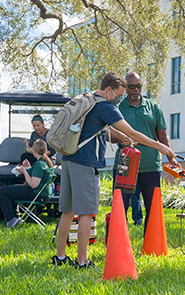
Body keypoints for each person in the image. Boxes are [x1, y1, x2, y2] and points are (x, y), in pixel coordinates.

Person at [53, 72, 177, 269]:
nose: (119, 99)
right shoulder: (105, 105)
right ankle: (82, 261)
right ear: (109, 90)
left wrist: (122, 138)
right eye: (118, 94)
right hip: (86, 163)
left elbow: (104, 129)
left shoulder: (89, 99)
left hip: (69, 159)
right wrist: (160, 146)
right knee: (86, 213)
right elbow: (132, 132)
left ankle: (59, 258)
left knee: (67, 211)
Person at [109, 72, 172, 229]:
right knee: (120, 207)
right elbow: (108, 135)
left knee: (153, 208)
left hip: (150, 166)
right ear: (125, 88)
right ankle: (117, 246)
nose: (136, 90)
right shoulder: (117, 108)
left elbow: (163, 135)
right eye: (132, 87)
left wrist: (172, 157)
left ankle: (152, 246)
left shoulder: (154, 108)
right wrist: (120, 138)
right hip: (125, 165)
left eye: (139, 86)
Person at [0, 138, 55, 228]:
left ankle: (11, 219)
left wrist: (24, 171)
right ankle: (15, 218)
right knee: (11, 190)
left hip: (37, 194)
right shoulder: (46, 162)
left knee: (2, 192)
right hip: (43, 193)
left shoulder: (39, 165)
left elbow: (33, 184)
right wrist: (28, 167)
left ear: (34, 150)